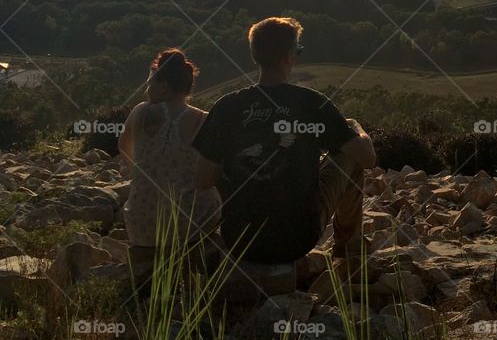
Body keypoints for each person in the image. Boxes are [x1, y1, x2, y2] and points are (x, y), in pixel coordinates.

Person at [193, 17, 376, 266]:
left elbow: (203, 179)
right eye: (297, 51)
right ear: (289, 56)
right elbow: (367, 158)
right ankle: (348, 251)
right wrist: (356, 128)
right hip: (298, 237)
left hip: (239, 239)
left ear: (254, 55)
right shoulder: (311, 104)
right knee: (350, 153)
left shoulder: (226, 107)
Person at [119, 49, 222, 248]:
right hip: (188, 226)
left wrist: (140, 172)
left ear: (164, 86)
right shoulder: (204, 120)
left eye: (149, 84)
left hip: (141, 223)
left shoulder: (139, 111)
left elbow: (123, 146)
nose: (146, 90)